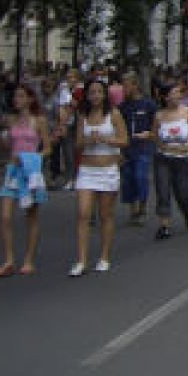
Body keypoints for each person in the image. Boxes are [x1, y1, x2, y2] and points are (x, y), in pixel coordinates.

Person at [0, 85, 52, 276]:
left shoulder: (38, 121)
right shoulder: (11, 120)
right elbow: (7, 146)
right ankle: (8, 259)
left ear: (30, 99)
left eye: (21, 96)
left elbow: (47, 148)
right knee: (5, 216)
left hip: (29, 169)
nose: (17, 99)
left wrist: (32, 158)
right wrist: (4, 137)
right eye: (15, 96)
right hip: (13, 169)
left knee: (31, 215)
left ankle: (28, 259)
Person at [71, 79, 128, 275]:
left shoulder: (113, 114)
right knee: (83, 214)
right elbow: (77, 144)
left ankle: (104, 256)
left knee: (105, 215)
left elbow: (124, 140)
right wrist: (88, 140)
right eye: (91, 92)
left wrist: (105, 138)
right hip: (87, 169)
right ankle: (81, 260)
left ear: (105, 95)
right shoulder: (83, 115)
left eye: (98, 92)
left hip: (107, 168)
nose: (95, 96)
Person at [151, 80, 188, 240]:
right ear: (165, 97)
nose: (177, 96)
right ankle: (164, 225)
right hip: (163, 158)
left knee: (182, 192)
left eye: (178, 93)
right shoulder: (159, 116)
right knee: (163, 190)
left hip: (183, 158)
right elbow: (155, 135)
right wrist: (161, 147)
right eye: (173, 93)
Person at [118, 72, 157, 227]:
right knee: (128, 178)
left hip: (143, 147)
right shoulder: (122, 107)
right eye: (122, 86)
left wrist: (150, 134)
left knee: (140, 176)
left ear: (135, 85)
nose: (124, 89)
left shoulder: (148, 104)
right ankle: (132, 210)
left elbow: (156, 124)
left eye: (126, 85)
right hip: (127, 147)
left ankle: (142, 208)